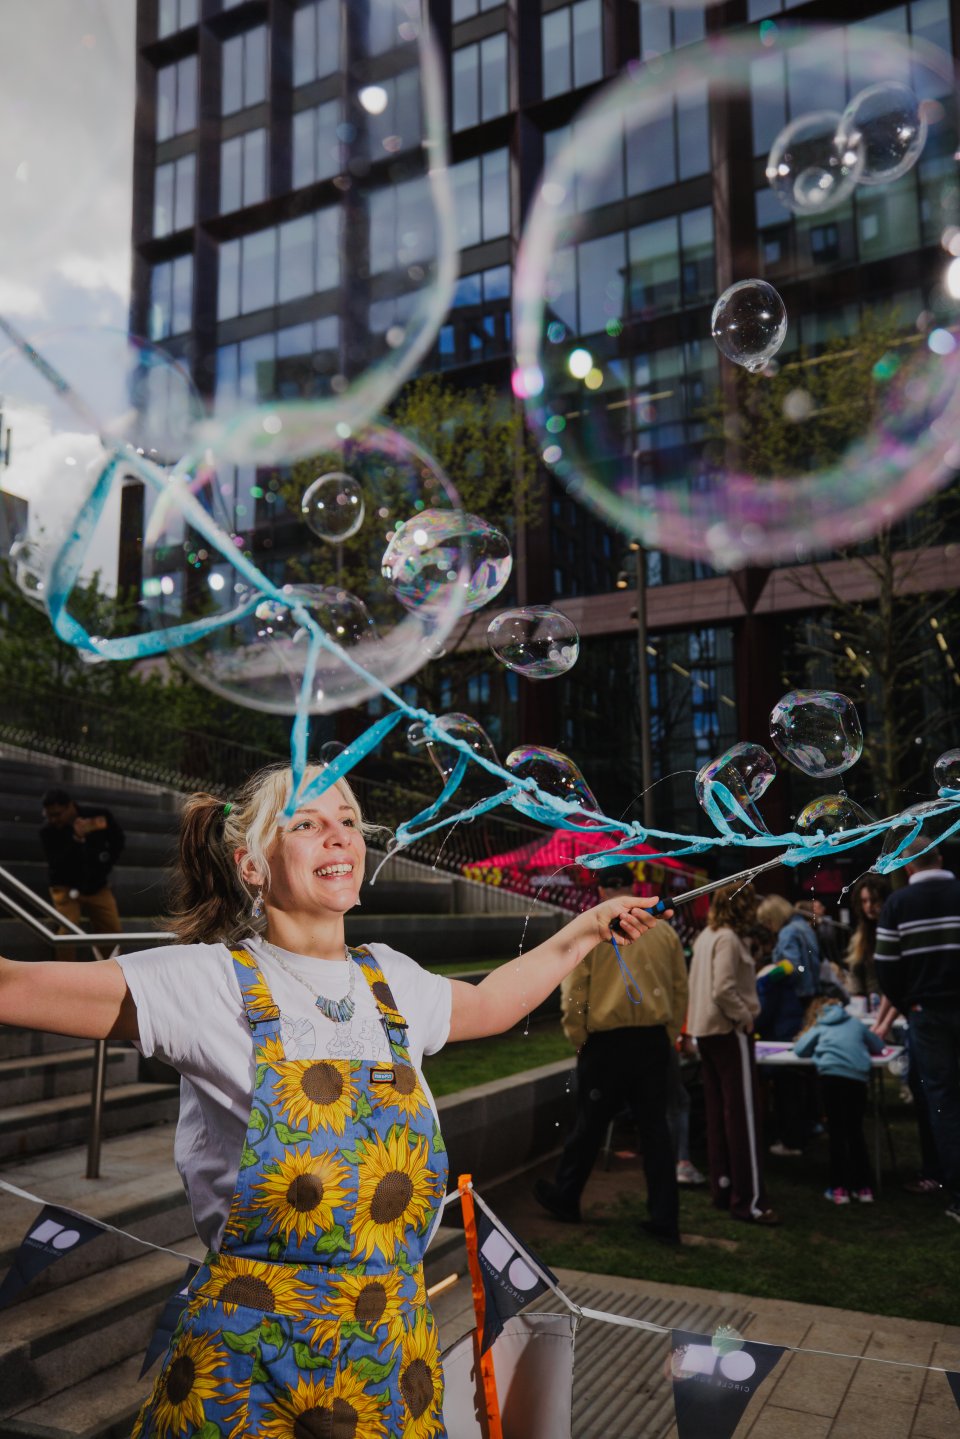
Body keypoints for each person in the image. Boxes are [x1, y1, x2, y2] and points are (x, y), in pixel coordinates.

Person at [1, 763, 667, 1435]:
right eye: (308, 823)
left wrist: (587, 929)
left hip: (387, 1371)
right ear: (251, 865)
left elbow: (492, 1002)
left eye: (349, 820)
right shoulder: (206, 982)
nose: (339, 836)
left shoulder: (391, 980)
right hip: (246, 1377)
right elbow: (14, 986)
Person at [533, 867, 689, 1243]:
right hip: (652, 1041)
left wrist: (579, 1040)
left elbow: (574, 994)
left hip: (606, 1044)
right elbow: (679, 988)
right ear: (633, 888)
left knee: (589, 1124)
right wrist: (667, 1035)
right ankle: (665, 1217)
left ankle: (568, 1196)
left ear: (602, 889)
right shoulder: (664, 932)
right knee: (656, 1132)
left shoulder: (592, 932)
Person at [875, 841, 960, 1226]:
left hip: (926, 1014)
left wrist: (908, 1000)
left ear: (908, 867)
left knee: (941, 1099)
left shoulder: (898, 904)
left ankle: (955, 1189)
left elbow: (887, 968)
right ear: (940, 859)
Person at [686, 882, 779, 1225]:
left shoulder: (706, 936)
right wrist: (745, 1018)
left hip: (706, 1031)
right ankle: (750, 1200)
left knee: (719, 1115)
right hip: (729, 1031)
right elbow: (723, 988)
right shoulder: (727, 938)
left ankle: (724, 1187)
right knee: (743, 1118)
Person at [793, 996, 885, 1205]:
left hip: (831, 1077)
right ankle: (864, 1187)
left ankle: (839, 1187)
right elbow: (878, 1045)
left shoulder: (820, 1025)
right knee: (855, 1131)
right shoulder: (855, 1023)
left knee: (836, 1132)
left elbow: (800, 1049)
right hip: (857, 1078)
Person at [755, 894, 820, 1158]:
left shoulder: (787, 933)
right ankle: (809, 1124)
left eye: (768, 923)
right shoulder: (805, 926)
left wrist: (765, 978)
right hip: (808, 1001)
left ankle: (792, 1136)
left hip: (790, 1003)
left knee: (787, 1078)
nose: (769, 928)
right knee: (801, 1073)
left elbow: (792, 966)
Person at [39, 787, 125, 962]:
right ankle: (64, 975)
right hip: (65, 887)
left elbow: (118, 840)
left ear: (70, 807)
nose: (54, 819)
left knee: (112, 930)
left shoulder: (97, 815)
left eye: (58, 814)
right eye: (49, 816)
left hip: (97, 885)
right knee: (67, 930)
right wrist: (76, 840)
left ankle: (112, 971)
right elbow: (58, 863)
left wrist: (105, 864)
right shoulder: (47, 831)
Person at [845, 877, 887, 1003]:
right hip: (871, 1003)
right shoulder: (860, 935)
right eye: (864, 901)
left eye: (873, 900)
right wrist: (858, 998)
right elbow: (855, 972)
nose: (869, 906)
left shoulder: (893, 928)